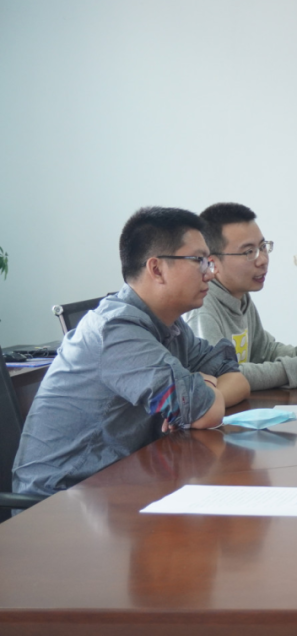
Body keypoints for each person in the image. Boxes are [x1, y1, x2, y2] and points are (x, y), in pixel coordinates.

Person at [13, 207, 250, 497]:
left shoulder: (170, 324)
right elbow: (207, 413)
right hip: (60, 500)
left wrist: (203, 390)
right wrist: (202, 394)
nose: (210, 273)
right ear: (156, 269)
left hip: (120, 483)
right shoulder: (116, 330)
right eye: (198, 260)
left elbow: (235, 378)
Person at [184, 203, 297, 391]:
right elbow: (223, 377)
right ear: (213, 263)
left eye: (263, 247)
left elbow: (265, 351)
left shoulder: (240, 296)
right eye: (249, 252)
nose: (263, 260)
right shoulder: (203, 310)